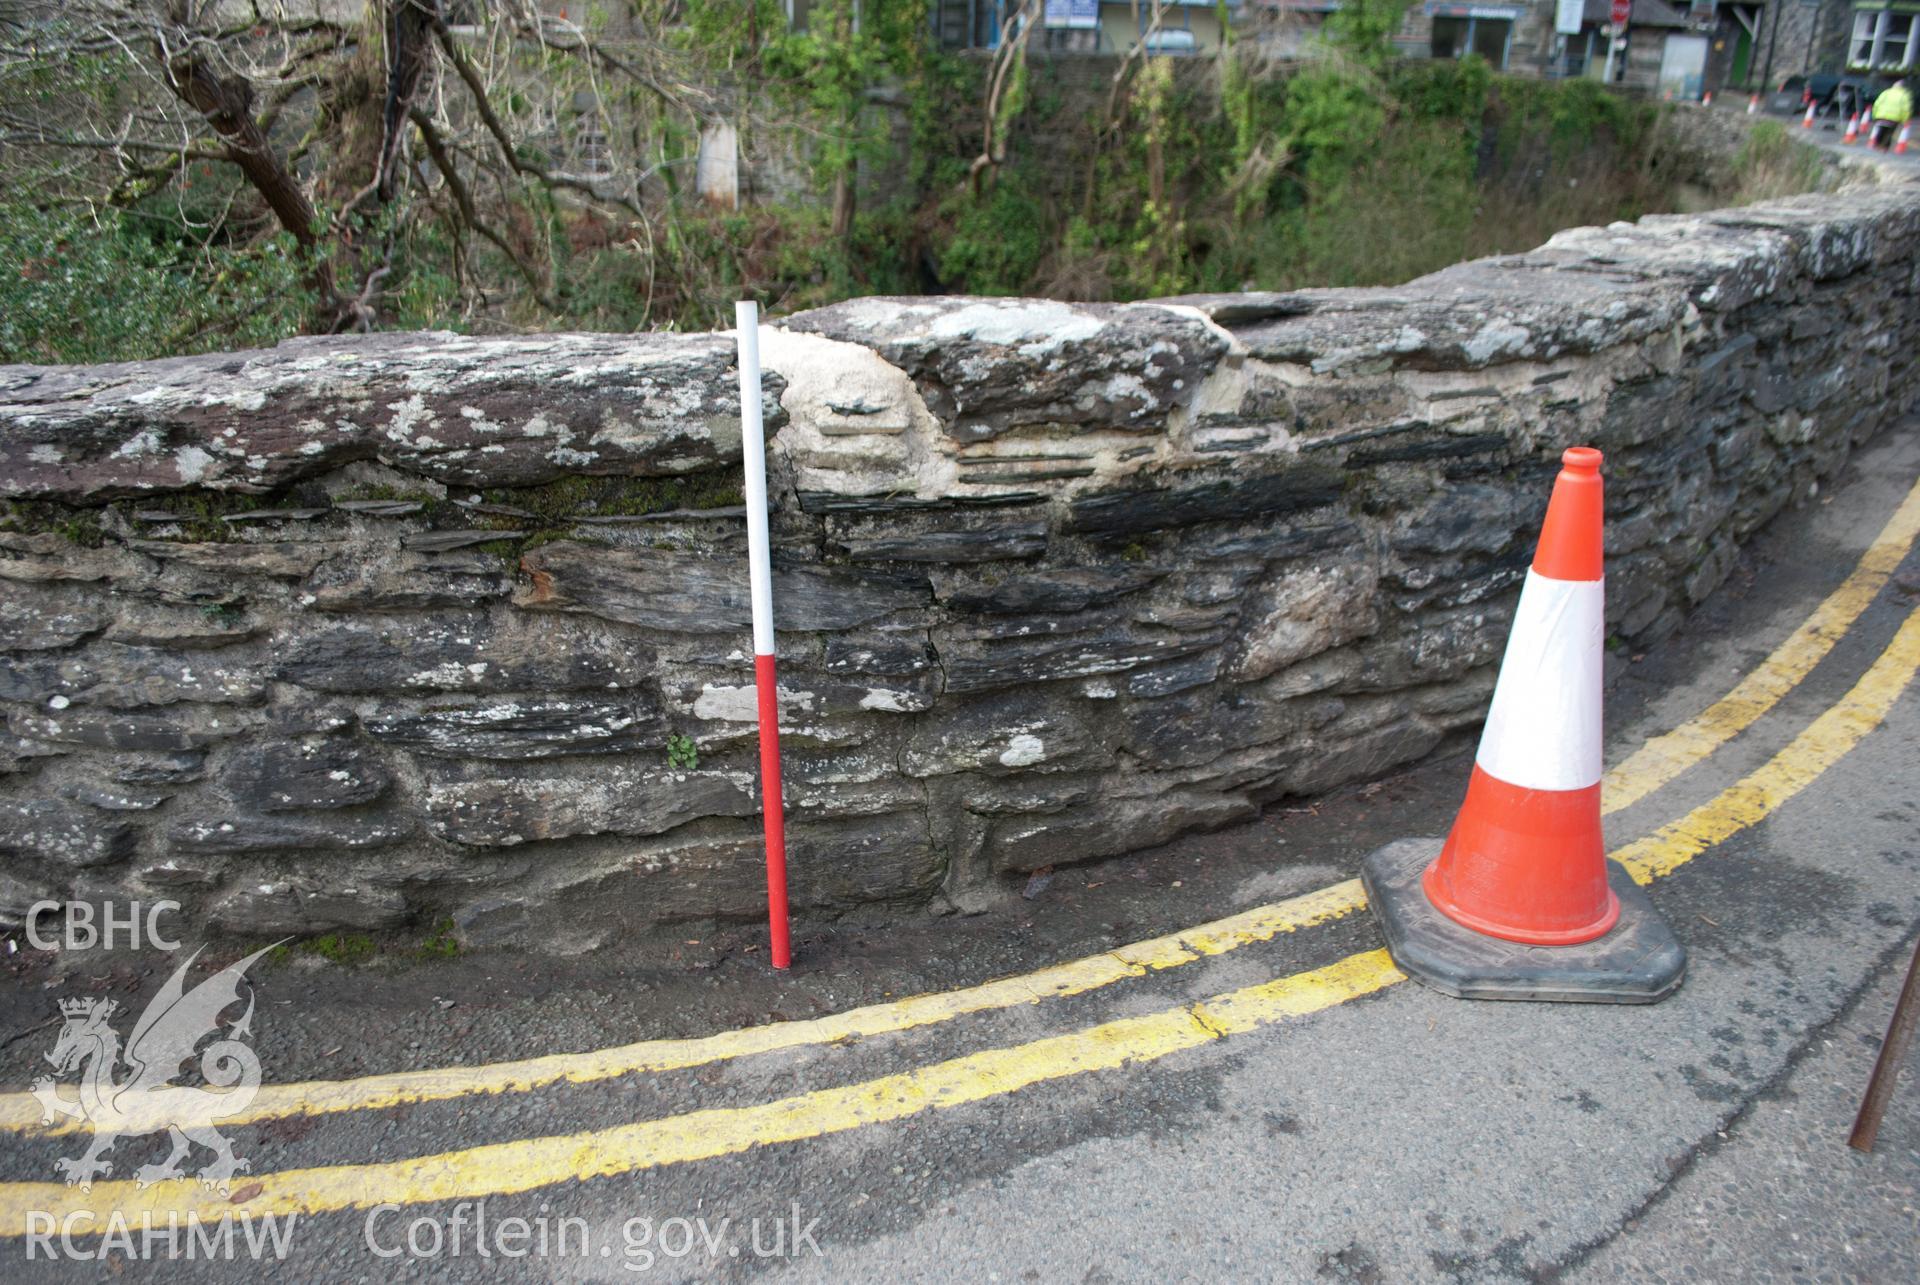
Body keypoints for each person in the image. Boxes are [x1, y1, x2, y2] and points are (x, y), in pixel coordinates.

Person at [1871, 77, 1912, 150]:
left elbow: (1877, 104)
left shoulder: (1886, 92)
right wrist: (1905, 119)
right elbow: (1906, 109)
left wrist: (1874, 115)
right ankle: (1885, 147)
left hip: (1881, 115)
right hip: (1894, 117)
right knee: (1889, 132)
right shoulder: (1904, 95)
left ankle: (1876, 144)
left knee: (1881, 129)